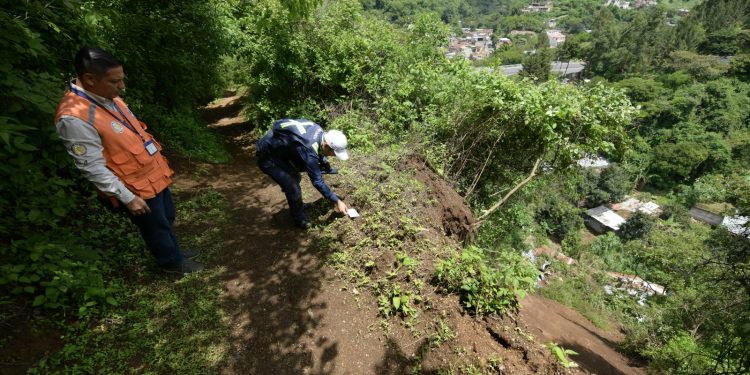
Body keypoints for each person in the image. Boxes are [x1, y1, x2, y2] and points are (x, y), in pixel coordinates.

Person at [54, 46, 203, 275]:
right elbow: (92, 167)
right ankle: (172, 264)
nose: (121, 87)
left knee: (167, 217)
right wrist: (128, 197)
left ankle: (176, 252)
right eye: (115, 82)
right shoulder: (74, 118)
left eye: (121, 80)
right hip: (133, 186)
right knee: (155, 228)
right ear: (90, 79)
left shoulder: (107, 95)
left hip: (152, 174)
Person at [256, 119, 350, 229]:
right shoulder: (308, 151)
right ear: (326, 145)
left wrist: (323, 161)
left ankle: (298, 205)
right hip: (268, 158)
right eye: (333, 153)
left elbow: (314, 148)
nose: (333, 156)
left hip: (277, 149)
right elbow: (317, 181)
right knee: (293, 187)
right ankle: (298, 218)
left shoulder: (318, 130)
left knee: (296, 177)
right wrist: (337, 201)